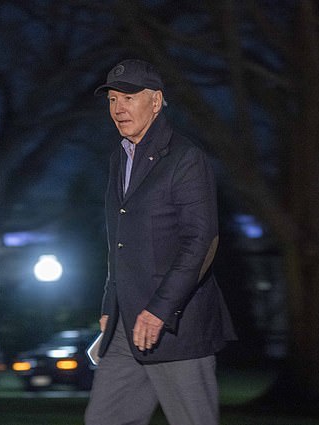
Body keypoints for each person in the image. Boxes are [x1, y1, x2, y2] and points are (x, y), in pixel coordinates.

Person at [85, 59, 236, 425]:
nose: (119, 108)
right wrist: (110, 302)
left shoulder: (185, 159)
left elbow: (202, 239)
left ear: (156, 101)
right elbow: (119, 241)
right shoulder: (119, 159)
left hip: (176, 326)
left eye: (129, 97)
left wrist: (160, 310)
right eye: (113, 99)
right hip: (125, 325)